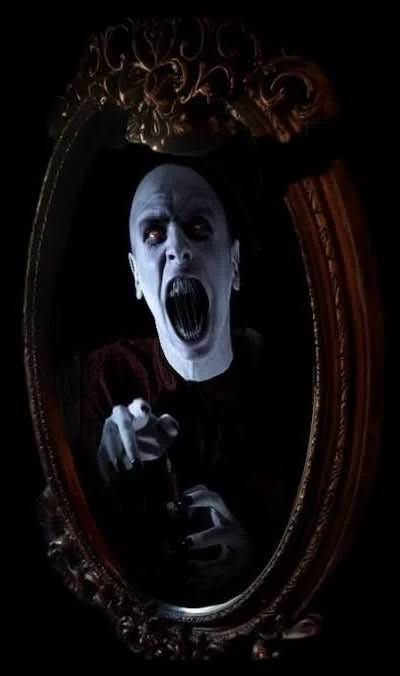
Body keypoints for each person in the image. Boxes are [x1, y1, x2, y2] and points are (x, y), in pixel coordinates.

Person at [78, 162, 290, 605]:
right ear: (137, 276)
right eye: (155, 233)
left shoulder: (281, 382)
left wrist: (257, 564)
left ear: (233, 264)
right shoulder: (101, 378)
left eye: (197, 228)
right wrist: (100, 477)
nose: (177, 247)